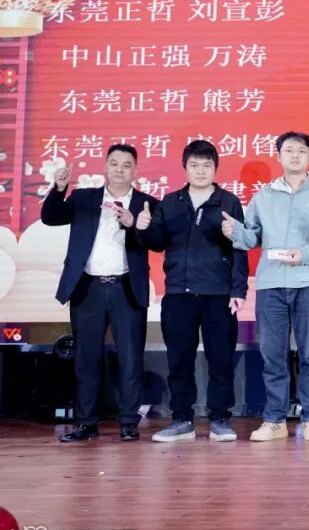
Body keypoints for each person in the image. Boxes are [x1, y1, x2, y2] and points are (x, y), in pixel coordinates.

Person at [223, 131, 309, 442]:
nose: (295, 155)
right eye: (289, 150)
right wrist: (235, 231)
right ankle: (274, 420)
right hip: (271, 284)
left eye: (301, 151)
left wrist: (304, 255)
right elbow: (252, 237)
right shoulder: (264, 195)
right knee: (272, 354)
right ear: (279, 156)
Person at [42, 144, 158, 443]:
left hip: (126, 288)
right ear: (105, 166)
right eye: (114, 163)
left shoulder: (147, 204)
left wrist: (135, 225)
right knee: (86, 358)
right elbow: (50, 217)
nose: (119, 170)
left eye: (126, 165)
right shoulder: (84, 198)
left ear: (135, 170)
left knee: (130, 358)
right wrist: (59, 188)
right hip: (88, 288)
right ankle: (86, 423)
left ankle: (129, 423)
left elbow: (159, 241)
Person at [138, 140, 248, 442]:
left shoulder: (228, 202)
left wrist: (238, 290)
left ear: (215, 168)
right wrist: (143, 227)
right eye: (194, 165)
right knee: (179, 360)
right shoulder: (170, 202)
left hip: (218, 294)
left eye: (206, 165)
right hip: (178, 294)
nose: (200, 171)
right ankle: (182, 420)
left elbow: (239, 248)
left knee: (221, 360)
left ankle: (220, 419)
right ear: (185, 168)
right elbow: (157, 242)